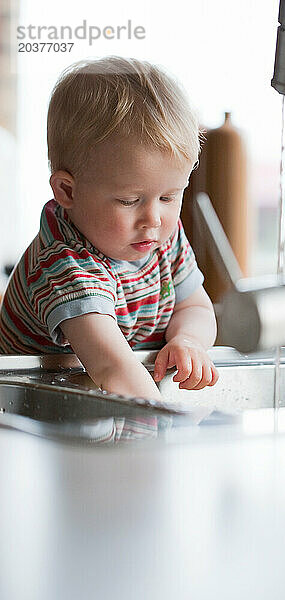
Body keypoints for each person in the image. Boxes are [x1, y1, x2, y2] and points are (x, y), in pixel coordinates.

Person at [0, 56, 219, 402]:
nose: (154, 218)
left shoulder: (161, 235)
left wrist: (188, 340)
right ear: (68, 191)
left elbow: (195, 308)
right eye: (130, 200)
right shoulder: (65, 264)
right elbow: (114, 369)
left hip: (101, 405)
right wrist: (169, 432)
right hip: (36, 416)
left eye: (168, 196)